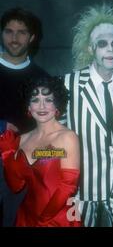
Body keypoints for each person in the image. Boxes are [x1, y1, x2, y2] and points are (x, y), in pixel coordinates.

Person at [62, 4, 113, 227]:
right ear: (90, 49)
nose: (110, 50)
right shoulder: (69, 84)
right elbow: (53, 137)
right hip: (81, 191)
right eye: (102, 44)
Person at [0, 76, 81, 227]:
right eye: (35, 100)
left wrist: (44, 220)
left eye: (48, 99)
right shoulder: (22, 139)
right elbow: (16, 185)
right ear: (28, 107)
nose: (42, 106)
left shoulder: (67, 138)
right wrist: (7, 155)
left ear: (57, 105)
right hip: (26, 216)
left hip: (59, 217)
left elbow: (68, 186)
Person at [0, 7, 49, 226]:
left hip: (24, 166)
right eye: (9, 31)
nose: (14, 38)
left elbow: (49, 130)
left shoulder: (41, 78)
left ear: (31, 37)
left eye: (21, 32)